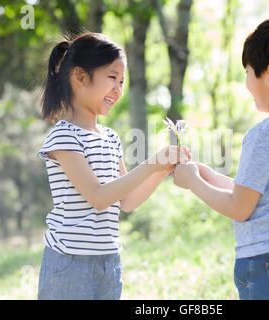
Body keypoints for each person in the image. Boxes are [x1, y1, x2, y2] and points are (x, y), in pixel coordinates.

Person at [173, 15, 269, 300]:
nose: (246, 83)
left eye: (247, 72)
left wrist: (193, 182)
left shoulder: (265, 132)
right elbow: (258, 194)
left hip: (268, 262)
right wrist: (206, 174)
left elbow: (240, 208)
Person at [37, 32, 190, 300]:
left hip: (109, 262)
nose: (118, 89)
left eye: (122, 81)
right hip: (69, 265)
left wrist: (161, 169)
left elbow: (126, 201)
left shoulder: (110, 138)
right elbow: (98, 197)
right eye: (112, 78)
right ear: (81, 77)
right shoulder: (63, 137)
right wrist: (151, 163)